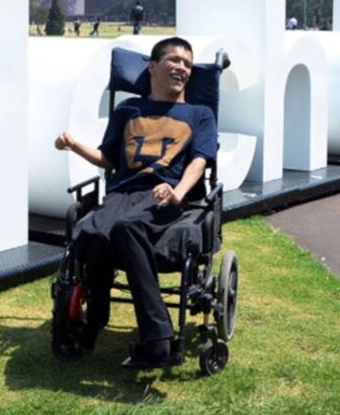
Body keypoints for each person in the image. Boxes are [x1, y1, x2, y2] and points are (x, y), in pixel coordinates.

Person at [53, 37, 217, 368]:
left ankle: (158, 341)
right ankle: (94, 322)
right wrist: (74, 145)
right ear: (152, 67)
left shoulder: (200, 114)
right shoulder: (127, 110)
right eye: (174, 60)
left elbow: (200, 161)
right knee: (95, 234)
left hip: (163, 195)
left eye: (187, 64)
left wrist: (179, 192)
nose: (182, 68)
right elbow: (109, 159)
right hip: (120, 194)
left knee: (127, 228)